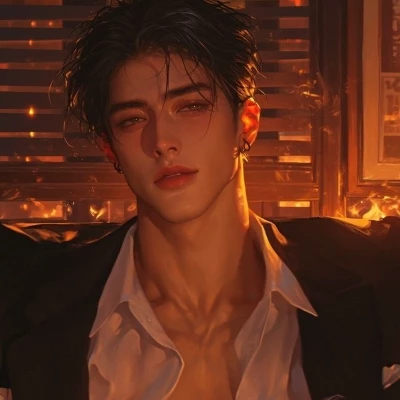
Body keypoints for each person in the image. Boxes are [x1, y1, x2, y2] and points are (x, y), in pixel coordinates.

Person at [0, 0, 400, 399]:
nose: (162, 141)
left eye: (191, 106)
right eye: (132, 119)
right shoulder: (31, 303)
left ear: (246, 123)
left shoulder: (368, 285)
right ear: (109, 148)